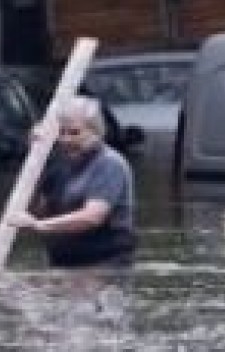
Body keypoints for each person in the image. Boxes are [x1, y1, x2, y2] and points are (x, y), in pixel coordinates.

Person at [11, 96, 136, 267]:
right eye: (62, 132)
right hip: (63, 260)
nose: (66, 139)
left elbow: (92, 217)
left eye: (75, 133)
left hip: (104, 261)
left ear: (96, 132)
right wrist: (35, 155)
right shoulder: (58, 164)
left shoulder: (110, 164)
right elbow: (37, 208)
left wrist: (39, 225)